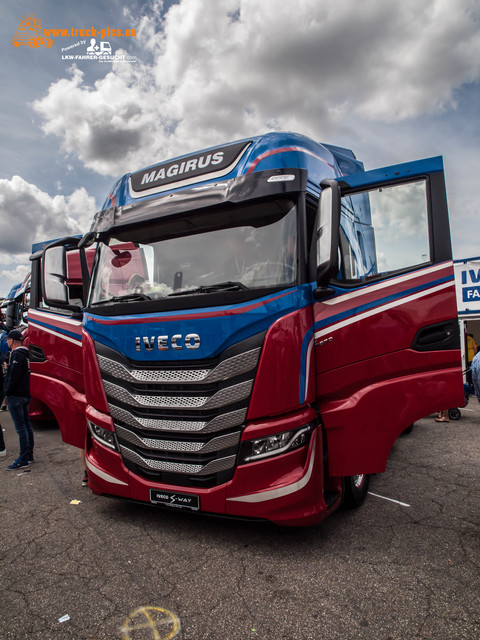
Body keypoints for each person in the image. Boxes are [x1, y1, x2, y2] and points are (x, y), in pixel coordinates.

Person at [4, 329, 34, 470]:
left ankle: (23, 458)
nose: (6, 342)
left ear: (12, 341)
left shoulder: (16, 355)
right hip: (25, 394)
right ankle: (29, 455)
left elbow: (13, 378)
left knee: (20, 427)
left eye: (8, 340)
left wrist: (6, 391)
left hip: (16, 395)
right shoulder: (26, 354)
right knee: (27, 425)